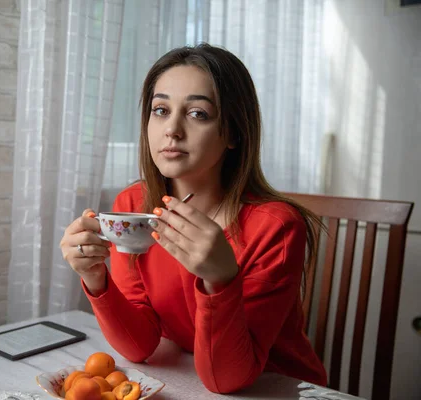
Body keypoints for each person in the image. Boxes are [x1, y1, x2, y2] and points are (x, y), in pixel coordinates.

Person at [59, 43, 327, 393]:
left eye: (198, 113)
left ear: (233, 132)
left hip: (279, 388)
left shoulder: (275, 227)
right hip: (188, 379)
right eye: (160, 110)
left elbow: (226, 379)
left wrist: (220, 281)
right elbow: (139, 347)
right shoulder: (132, 206)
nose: (172, 129)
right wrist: (96, 278)